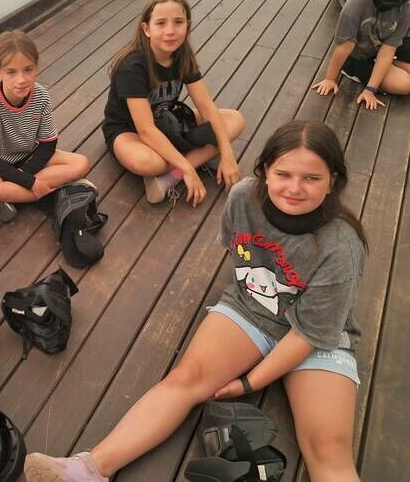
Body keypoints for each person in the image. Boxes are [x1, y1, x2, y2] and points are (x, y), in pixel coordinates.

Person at [24, 120, 367, 482]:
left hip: (314, 338)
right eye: (284, 174)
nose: (295, 188)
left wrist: (250, 382)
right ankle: (88, 469)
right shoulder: (243, 198)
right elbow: (241, 257)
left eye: (312, 178)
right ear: (266, 170)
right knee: (186, 379)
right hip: (253, 309)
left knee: (328, 449)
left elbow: (308, 334)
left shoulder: (341, 245)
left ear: (333, 181)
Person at [101, 0, 245, 208]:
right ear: (146, 29)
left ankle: (171, 176)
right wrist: (188, 169)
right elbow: (145, 130)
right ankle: (192, 161)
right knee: (148, 162)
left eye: (178, 22)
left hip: (169, 121)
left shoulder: (182, 56)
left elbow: (206, 107)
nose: (170, 31)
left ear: (187, 25)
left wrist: (227, 153)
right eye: (161, 23)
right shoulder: (132, 66)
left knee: (235, 120)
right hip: (130, 130)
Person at [0, 30, 92, 222]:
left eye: (28, 69)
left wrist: (25, 176)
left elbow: (48, 145)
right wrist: (32, 183)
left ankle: (11, 196)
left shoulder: (41, 96)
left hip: (29, 155)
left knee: (81, 163)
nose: (21, 79)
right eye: (11, 72)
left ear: (36, 68)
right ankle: (53, 194)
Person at [314, 0, 410, 108]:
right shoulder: (359, 0)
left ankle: (388, 67)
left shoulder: (405, 7)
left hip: (382, 47)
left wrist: (371, 89)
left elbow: (388, 50)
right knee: (404, 84)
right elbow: (344, 46)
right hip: (358, 56)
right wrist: (330, 79)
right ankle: (354, 72)